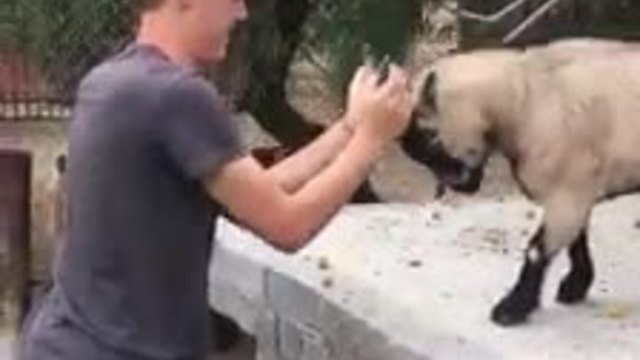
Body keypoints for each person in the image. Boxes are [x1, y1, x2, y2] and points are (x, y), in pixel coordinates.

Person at [17, 0, 413, 359]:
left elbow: (258, 190)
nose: (241, 13)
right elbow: (288, 226)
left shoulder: (111, 81)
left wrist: (348, 129)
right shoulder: (178, 95)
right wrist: (372, 140)